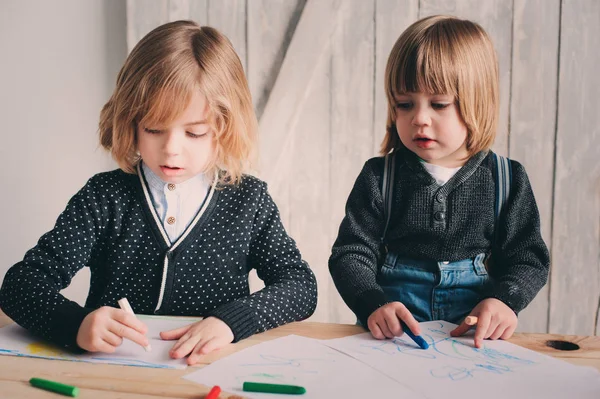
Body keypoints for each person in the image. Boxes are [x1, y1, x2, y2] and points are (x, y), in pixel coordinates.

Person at [0, 20, 317, 365]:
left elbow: (301, 286)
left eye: (194, 133)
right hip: (114, 379)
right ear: (131, 122)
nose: (171, 150)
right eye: (153, 129)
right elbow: (20, 287)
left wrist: (233, 321)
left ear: (225, 128)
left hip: (213, 374)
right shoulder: (104, 197)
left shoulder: (249, 201)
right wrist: (75, 324)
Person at [328, 15, 549, 349]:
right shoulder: (379, 176)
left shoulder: (506, 179)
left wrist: (505, 300)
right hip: (394, 330)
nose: (419, 118)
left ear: (477, 103)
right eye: (404, 104)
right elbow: (351, 253)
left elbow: (527, 258)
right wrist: (372, 303)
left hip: (472, 331)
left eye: (439, 104)